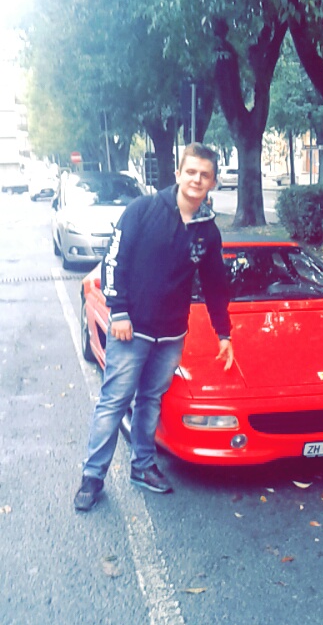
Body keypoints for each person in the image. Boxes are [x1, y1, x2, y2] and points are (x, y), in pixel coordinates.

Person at [74, 143, 234, 511]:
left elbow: (215, 284)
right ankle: (92, 476)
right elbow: (114, 261)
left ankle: (143, 466)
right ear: (178, 174)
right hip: (132, 330)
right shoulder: (142, 210)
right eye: (190, 172)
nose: (196, 179)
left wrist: (223, 332)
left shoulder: (207, 231)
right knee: (114, 401)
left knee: (150, 400)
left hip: (172, 334)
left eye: (204, 175)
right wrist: (119, 312)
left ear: (212, 182)